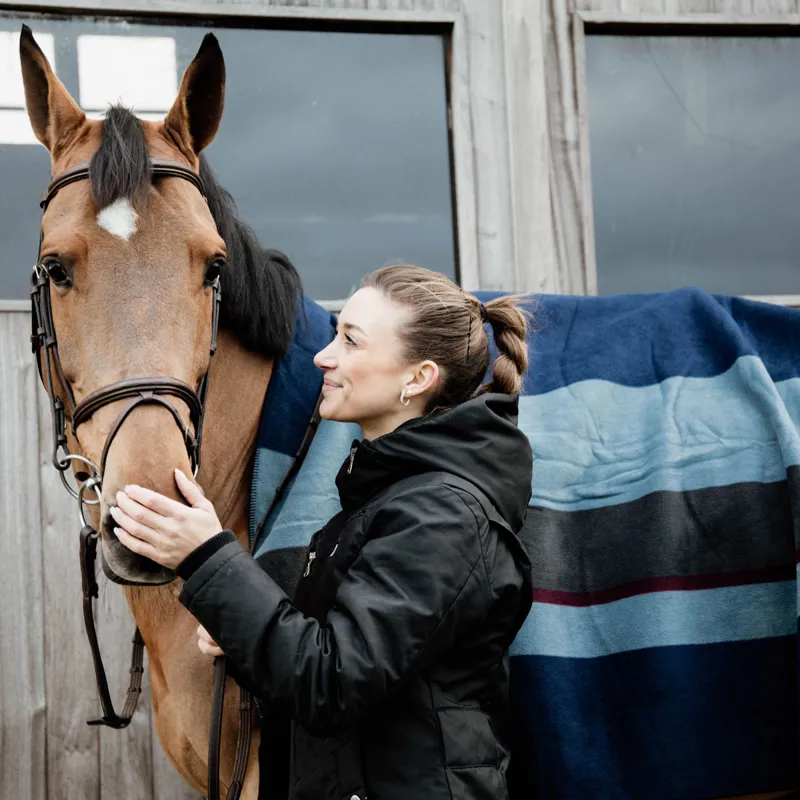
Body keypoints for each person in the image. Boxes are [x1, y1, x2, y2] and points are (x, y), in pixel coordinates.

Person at [110, 264, 534, 800]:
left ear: (417, 378)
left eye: (351, 342)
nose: (322, 357)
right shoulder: (380, 502)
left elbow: (331, 685)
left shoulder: (442, 516)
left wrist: (207, 556)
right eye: (336, 333)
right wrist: (243, 638)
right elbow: (339, 668)